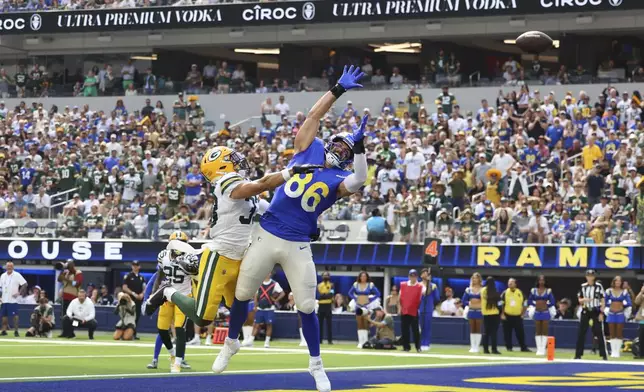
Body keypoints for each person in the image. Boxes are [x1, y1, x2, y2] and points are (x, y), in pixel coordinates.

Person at [213, 65, 367, 392]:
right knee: (242, 293)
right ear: (331, 142)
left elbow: (361, 179)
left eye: (347, 150)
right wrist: (337, 89)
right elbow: (313, 115)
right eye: (340, 145)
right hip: (268, 232)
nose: (341, 150)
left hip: (298, 242)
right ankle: (232, 341)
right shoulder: (309, 148)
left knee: (307, 306)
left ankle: (316, 365)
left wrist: (361, 149)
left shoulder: (341, 179)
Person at [146, 147, 319, 345]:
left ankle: (194, 265)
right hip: (220, 256)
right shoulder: (224, 183)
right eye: (232, 160)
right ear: (220, 166)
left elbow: (276, 214)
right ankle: (168, 291)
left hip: (241, 258)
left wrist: (307, 224)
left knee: (241, 310)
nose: (239, 162)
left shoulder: (252, 193)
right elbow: (258, 185)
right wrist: (289, 172)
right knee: (203, 318)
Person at [148, 231, 197, 372]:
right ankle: (172, 355)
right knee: (162, 329)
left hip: (183, 296)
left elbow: (195, 273)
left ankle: (178, 362)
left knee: (180, 329)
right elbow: (159, 275)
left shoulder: (190, 257)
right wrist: (153, 294)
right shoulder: (163, 256)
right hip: (168, 295)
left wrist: (184, 264)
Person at [243, 272, 285, 348]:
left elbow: (282, 293)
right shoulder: (259, 283)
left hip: (270, 308)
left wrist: (276, 300)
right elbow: (256, 295)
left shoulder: (274, 284)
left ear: (270, 274)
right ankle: (251, 340)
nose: (267, 274)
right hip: (260, 307)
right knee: (256, 324)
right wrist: (255, 306)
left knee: (269, 325)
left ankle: (267, 342)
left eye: (268, 273)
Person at [575, 269, 607, 360]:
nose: (590, 277)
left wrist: (601, 313)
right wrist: (586, 299)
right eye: (588, 275)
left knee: (599, 332)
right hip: (586, 310)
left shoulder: (599, 286)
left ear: (594, 277)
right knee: (581, 332)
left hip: (596, 310)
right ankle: (578, 354)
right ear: (586, 277)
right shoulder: (583, 286)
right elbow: (579, 300)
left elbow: (603, 300)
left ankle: (603, 355)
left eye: (591, 276)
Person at [349, 271, 382, 349]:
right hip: (358, 305)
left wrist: (370, 300)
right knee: (359, 322)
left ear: (367, 277)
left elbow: (378, 293)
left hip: (366, 305)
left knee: (365, 322)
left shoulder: (370, 285)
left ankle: (365, 341)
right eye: (362, 276)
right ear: (359, 277)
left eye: (364, 276)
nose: (363, 278)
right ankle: (360, 342)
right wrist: (355, 298)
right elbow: (350, 293)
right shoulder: (356, 284)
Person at [528, 274, 556, 356]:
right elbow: (529, 301)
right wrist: (535, 304)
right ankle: (538, 349)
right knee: (538, 330)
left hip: (545, 312)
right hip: (537, 312)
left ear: (545, 281)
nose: (541, 282)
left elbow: (552, 301)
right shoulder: (533, 290)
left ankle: (543, 348)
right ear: (538, 281)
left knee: (544, 330)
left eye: (543, 280)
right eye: (540, 280)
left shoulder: (548, 291)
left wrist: (546, 305)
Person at [605, 275, 632, 358]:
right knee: (612, 333)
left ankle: (618, 352)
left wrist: (623, 304)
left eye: (619, 281)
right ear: (613, 281)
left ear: (621, 282)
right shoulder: (608, 291)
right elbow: (604, 302)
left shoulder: (624, 292)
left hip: (620, 314)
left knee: (619, 333)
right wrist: (609, 305)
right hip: (611, 313)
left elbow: (629, 303)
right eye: (616, 280)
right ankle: (613, 351)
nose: (618, 282)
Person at [500, 278, 529, 353]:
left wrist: (523, 313)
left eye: (512, 282)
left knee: (520, 333)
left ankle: (523, 347)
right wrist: (502, 314)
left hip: (517, 316)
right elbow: (501, 304)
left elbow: (525, 303)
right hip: (507, 316)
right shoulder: (504, 293)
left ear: (515, 284)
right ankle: (509, 347)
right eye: (509, 282)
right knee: (507, 333)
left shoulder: (520, 292)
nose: (510, 284)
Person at [0, 262, 27, 337]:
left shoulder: (17, 275)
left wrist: (19, 293)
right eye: (8, 266)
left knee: (15, 316)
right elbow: (1, 287)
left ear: (13, 267)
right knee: (4, 316)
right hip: (4, 299)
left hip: (13, 300)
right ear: (6, 267)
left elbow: (25, 284)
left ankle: (16, 331)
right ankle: (4, 331)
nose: (9, 267)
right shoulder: (2, 276)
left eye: (11, 266)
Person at [399, 269, 423, 352]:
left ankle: (418, 347)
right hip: (404, 309)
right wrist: (400, 308)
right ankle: (406, 347)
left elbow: (423, 295)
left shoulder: (420, 286)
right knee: (404, 330)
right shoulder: (403, 285)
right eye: (411, 276)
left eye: (414, 276)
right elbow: (400, 297)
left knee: (415, 329)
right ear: (409, 276)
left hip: (414, 310)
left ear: (416, 277)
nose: (413, 278)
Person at [122, 260, 145, 339]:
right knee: (128, 317)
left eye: (136, 265)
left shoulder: (141, 277)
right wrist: (134, 294)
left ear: (139, 266)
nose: (135, 267)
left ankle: (134, 333)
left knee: (137, 317)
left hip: (138, 301)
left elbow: (144, 287)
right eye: (133, 265)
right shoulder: (128, 276)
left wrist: (142, 294)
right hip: (130, 300)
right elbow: (124, 287)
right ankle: (125, 333)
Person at [419, 268, 440, 351]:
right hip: (420, 308)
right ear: (421, 275)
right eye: (423, 273)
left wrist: (429, 285)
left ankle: (426, 343)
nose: (425, 274)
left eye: (426, 273)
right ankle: (421, 343)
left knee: (427, 327)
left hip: (428, 308)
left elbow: (437, 298)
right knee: (421, 327)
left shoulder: (433, 285)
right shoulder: (418, 285)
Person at [463, 272, 483, 353]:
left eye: (476, 278)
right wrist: (469, 303)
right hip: (471, 310)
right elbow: (463, 300)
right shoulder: (468, 290)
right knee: (472, 328)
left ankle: (477, 346)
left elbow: (485, 300)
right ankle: (472, 346)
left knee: (478, 328)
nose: (475, 280)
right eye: (473, 278)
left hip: (479, 311)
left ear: (479, 279)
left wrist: (479, 302)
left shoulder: (483, 290)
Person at [481, 276, 501, 354]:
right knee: (494, 333)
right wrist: (500, 311)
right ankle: (494, 349)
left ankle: (485, 349)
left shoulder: (482, 291)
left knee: (486, 332)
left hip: (485, 313)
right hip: (495, 314)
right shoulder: (495, 291)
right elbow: (499, 304)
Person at [317, 271, 335, 345]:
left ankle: (329, 340)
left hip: (328, 306)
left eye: (327, 275)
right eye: (324, 275)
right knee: (319, 324)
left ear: (329, 277)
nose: (325, 277)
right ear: (322, 277)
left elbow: (331, 294)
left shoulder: (332, 285)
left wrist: (323, 295)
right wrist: (325, 295)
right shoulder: (319, 285)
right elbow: (318, 296)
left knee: (329, 324)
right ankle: (319, 340)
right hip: (321, 306)